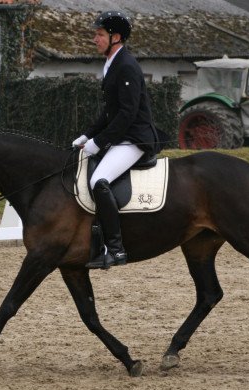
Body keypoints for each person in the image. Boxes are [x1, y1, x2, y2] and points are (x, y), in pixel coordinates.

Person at [73, 11, 161, 270]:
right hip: (121, 137)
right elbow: (109, 111)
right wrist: (88, 135)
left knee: (98, 181)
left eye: (99, 35)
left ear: (116, 37)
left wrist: (98, 142)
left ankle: (116, 248)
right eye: (96, 34)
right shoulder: (112, 63)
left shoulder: (126, 65)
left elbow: (126, 114)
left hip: (135, 139)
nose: (95, 39)